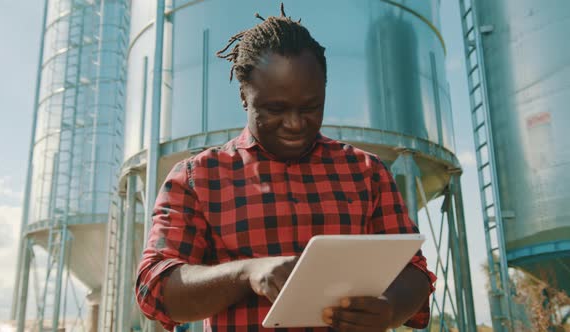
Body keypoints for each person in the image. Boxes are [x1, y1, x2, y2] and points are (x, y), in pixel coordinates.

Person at [136, 4, 436, 331]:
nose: (294, 123)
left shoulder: (366, 172)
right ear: (243, 96)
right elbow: (156, 289)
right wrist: (246, 273)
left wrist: (390, 308)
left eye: (311, 107)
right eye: (275, 108)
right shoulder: (197, 178)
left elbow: (415, 272)